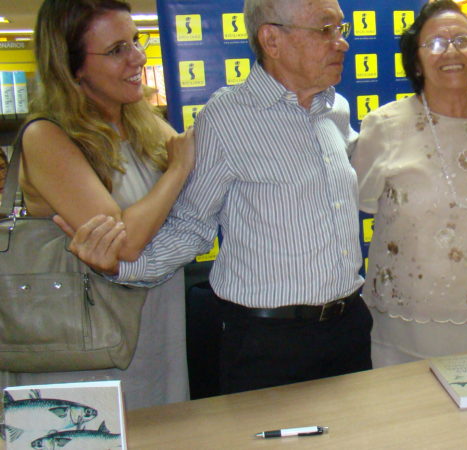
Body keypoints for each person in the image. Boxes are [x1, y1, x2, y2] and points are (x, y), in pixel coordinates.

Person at [63, 0, 372, 395]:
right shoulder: (226, 118)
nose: (342, 44)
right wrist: (119, 267)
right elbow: (191, 226)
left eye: (341, 29)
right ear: (272, 39)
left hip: (349, 326)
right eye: (326, 30)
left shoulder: (336, 110)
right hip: (270, 342)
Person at [4, 0, 194, 410]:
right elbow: (123, 245)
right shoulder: (48, 137)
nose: (138, 58)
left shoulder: (140, 123)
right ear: (72, 67)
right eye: (116, 50)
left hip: (154, 337)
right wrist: (178, 171)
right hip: (80, 357)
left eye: (136, 41)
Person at [349, 0, 467, 367]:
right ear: (416, 60)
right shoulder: (384, 127)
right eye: (435, 42)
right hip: (402, 331)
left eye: (461, 40)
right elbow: (355, 205)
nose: (450, 51)